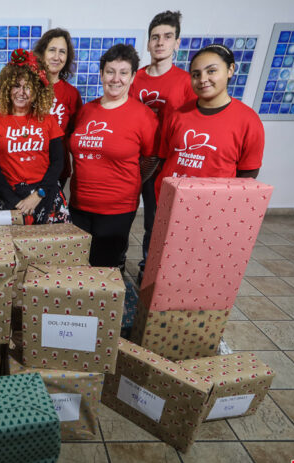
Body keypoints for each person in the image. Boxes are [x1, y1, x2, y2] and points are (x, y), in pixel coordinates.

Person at [69, 44, 158, 269]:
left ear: (133, 76)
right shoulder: (86, 110)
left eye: (123, 72)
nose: (116, 79)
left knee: (104, 272)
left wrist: (131, 181)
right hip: (79, 205)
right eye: (110, 71)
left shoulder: (143, 116)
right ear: (101, 74)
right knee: (76, 267)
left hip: (116, 209)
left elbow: (151, 158)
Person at [130, 10, 196, 283]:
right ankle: (115, 261)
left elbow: (194, 121)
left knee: (155, 221)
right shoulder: (134, 78)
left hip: (164, 162)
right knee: (122, 214)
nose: (160, 42)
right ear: (148, 43)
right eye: (155, 37)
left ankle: (149, 269)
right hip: (133, 159)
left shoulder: (185, 82)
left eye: (167, 37)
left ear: (177, 42)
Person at [155, 43, 265, 199]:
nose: (202, 79)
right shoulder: (177, 115)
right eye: (196, 74)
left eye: (211, 71)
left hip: (213, 204)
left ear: (230, 70)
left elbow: (248, 173)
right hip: (170, 199)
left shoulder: (248, 120)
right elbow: (164, 159)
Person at [0, 49, 68, 225]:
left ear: (37, 90)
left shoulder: (48, 120)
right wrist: (14, 201)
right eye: (16, 86)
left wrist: (38, 195)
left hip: (45, 194)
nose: (21, 92)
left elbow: (58, 162)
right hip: (9, 197)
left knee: (49, 243)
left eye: (28, 87)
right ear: (7, 88)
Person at [33, 28, 82, 188]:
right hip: (28, 166)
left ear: (67, 58)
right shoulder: (27, 88)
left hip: (58, 168)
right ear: (42, 53)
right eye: (52, 50)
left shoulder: (72, 94)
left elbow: (74, 134)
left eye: (62, 52)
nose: (56, 57)